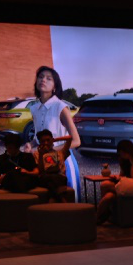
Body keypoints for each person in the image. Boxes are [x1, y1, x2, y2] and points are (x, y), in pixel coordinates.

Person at [28, 66, 81, 200]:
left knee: (68, 203)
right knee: (47, 202)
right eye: (41, 77)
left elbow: (76, 141)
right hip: (44, 164)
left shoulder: (60, 107)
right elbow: (38, 137)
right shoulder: (34, 109)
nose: (43, 80)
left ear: (55, 86)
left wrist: (51, 151)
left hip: (63, 162)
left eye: (48, 78)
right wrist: (30, 144)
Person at [95, 140, 133, 224]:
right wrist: (117, 178)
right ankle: (100, 217)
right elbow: (122, 174)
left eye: (123, 153)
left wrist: (132, 164)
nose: (121, 155)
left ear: (128, 152)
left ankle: (97, 218)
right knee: (108, 197)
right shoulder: (123, 160)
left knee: (105, 185)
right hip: (125, 184)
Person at [33, 129, 71, 202]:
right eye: (43, 141)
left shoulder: (60, 153)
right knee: (51, 178)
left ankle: (52, 199)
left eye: (48, 140)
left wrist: (54, 140)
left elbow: (69, 138)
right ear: (40, 143)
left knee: (57, 179)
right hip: (45, 177)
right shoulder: (37, 154)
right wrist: (41, 154)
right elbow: (41, 171)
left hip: (59, 177)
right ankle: (62, 199)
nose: (46, 143)